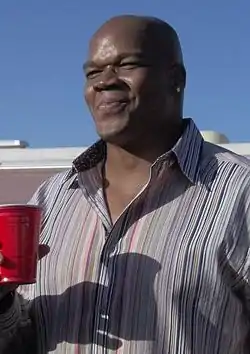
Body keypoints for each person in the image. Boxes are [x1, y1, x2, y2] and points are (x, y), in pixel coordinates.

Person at [0, 14, 250, 354]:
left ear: (176, 78)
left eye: (126, 65)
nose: (104, 82)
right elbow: (22, 342)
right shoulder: (51, 200)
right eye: (93, 72)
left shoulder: (239, 193)